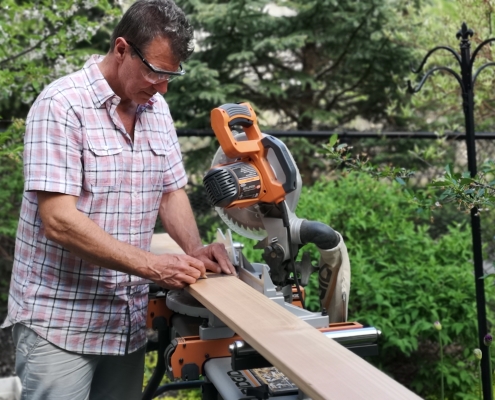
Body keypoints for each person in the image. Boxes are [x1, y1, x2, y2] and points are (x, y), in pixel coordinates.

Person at [1, 1, 235, 399]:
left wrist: (195, 250)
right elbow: (58, 219)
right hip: (60, 323)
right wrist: (152, 267)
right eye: (155, 72)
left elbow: (170, 189)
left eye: (171, 75)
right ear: (122, 49)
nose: (162, 87)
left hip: (123, 322)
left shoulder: (155, 108)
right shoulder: (61, 106)